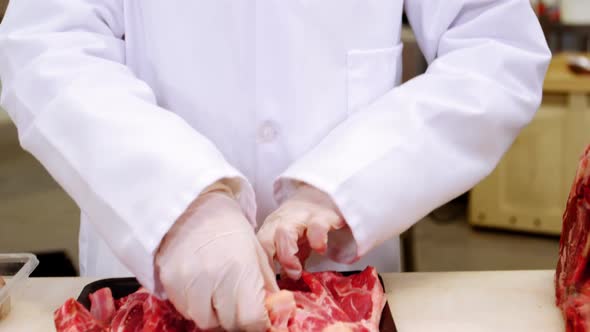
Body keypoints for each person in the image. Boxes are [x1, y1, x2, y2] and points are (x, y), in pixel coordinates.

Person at [0, 1, 550, 331]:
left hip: (338, 281)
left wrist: (348, 183)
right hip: (152, 274)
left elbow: (494, 47)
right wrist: (181, 205)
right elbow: (47, 46)